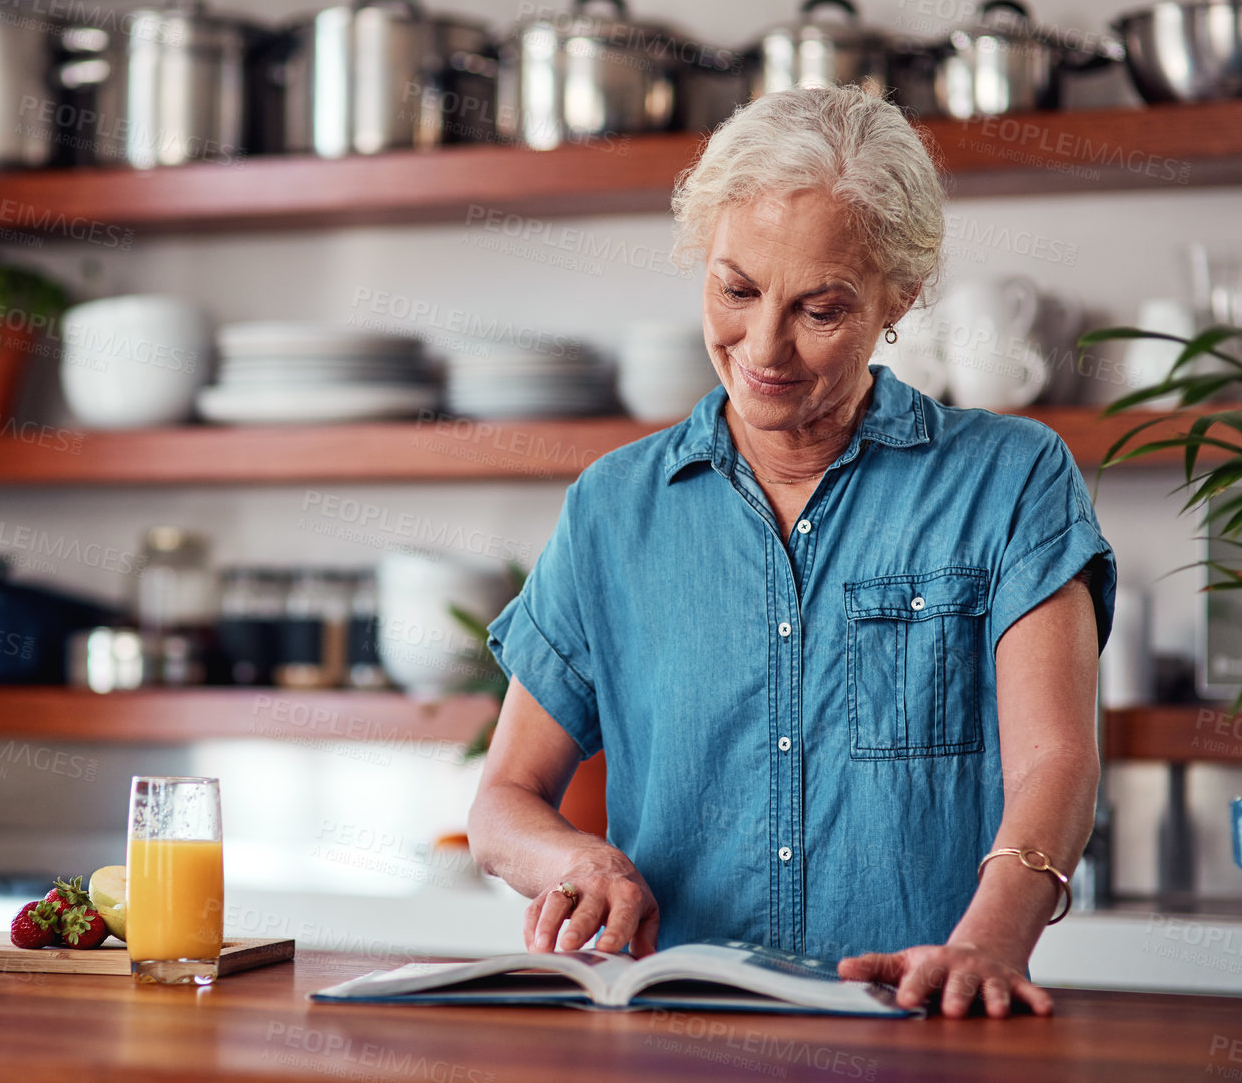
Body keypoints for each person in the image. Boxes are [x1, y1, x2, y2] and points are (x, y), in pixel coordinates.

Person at [466, 84, 1116, 1019]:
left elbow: (1057, 759)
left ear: (901, 294)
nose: (763, 347)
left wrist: (989, 940)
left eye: (821, 310)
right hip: (675, 1034)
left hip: (926, 1027)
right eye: (735, 290)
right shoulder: (613, 509)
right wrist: (578, 859)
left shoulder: (1010, 481)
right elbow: (503, 803)